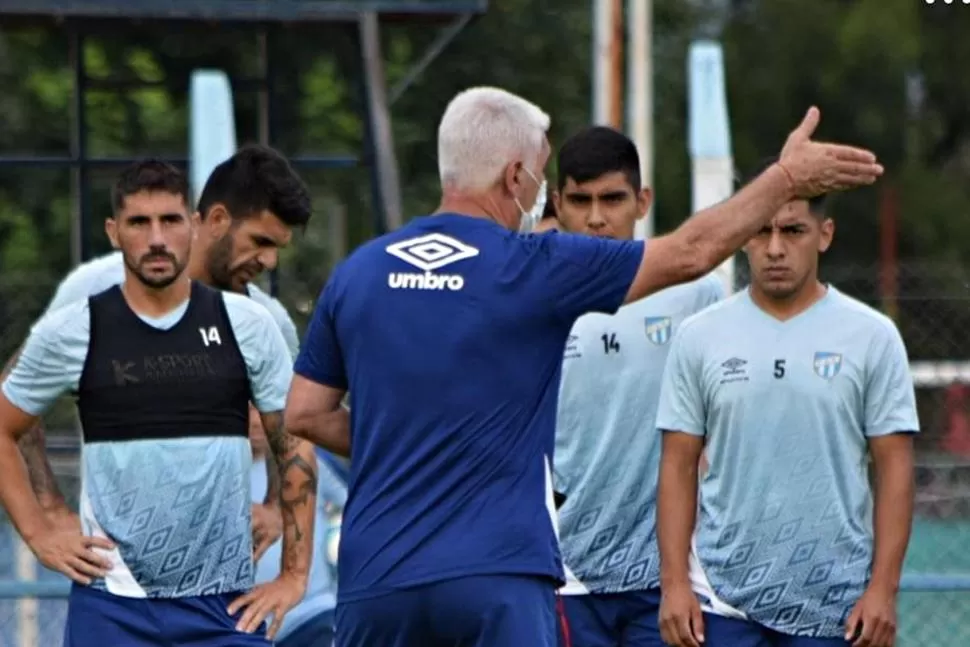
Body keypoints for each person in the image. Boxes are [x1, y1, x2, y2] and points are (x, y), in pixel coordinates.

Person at [282, 86, 883, 647]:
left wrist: (409, 443)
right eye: (540, 181)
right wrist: (784, 180)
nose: (538, 198)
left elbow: (306, 412)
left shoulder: (358, 272)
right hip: (498, 574)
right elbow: (691, 252)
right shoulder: (530, 264)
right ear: (514, 176)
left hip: (377, 576)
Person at [0, 159, 319, 646]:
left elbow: (293, 434)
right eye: (260, 242)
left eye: (169, 221)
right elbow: (13, 407)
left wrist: (280, 520)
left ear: (190, 225)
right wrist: (47, 518)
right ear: (115, 231)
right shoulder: (85, 306)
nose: (269, 261)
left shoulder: (259, 320)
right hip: (112, 593)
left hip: (224, 597)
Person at [654, 158, 918, 647]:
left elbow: (896, 468)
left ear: (825, 233)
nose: (775, 248)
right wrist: (673, 586)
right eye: (760, 231)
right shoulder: (700, 337)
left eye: (793, 230)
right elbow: (676, 465)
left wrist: (883, 590)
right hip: (722, 602)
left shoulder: (872, 337)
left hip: (836, 607)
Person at [551, 126, 724, 647]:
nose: (597, 217)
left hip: (669, 580)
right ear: (557, 204)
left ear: (642, 201)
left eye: (612, 199)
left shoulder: (695, 294)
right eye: (580, 200)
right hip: (565, 573)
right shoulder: (533, 295)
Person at [250, 405, 348, 647]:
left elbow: (358, 504)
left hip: (313, 613)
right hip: (248, 627)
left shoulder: (309, 460)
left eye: (260, 409)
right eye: (245, 410)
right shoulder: (218, 473)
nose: (255, 421)